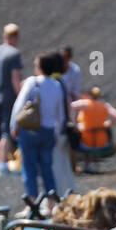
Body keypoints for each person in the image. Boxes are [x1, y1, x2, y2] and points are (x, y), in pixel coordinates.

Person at [9, 53, 65, 199]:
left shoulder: (32, 82)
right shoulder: (57, 85)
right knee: (47, 168)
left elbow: (19, 104)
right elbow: (60, 115)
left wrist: (13, 125)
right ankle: (51, 203)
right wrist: (57, 133)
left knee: (29, 168)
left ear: (40, 68)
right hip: (48, 131)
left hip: (29, 130)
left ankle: (32, 202)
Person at [0, 23, 22, 177]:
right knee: (6, 130)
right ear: (15, 37)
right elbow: (15, 78)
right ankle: (2, 163)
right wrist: (20, 95)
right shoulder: (14, 54)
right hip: (9, 96)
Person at [70, 85, 116, 172]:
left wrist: (74, 123)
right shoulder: (104, 105)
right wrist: (107, 124)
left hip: (87, 142)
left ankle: (81, 164)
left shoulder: (85, 103)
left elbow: (72, 105)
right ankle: (89, 164)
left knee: (75, 135)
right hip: (102, 142)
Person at [45, 51, 75, 196]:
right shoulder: (62, 81)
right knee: (65, 165)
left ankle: (58, 196)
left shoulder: (52, 83)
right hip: (65, 128)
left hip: (57, 129)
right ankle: (70, 193)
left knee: (55, 166)